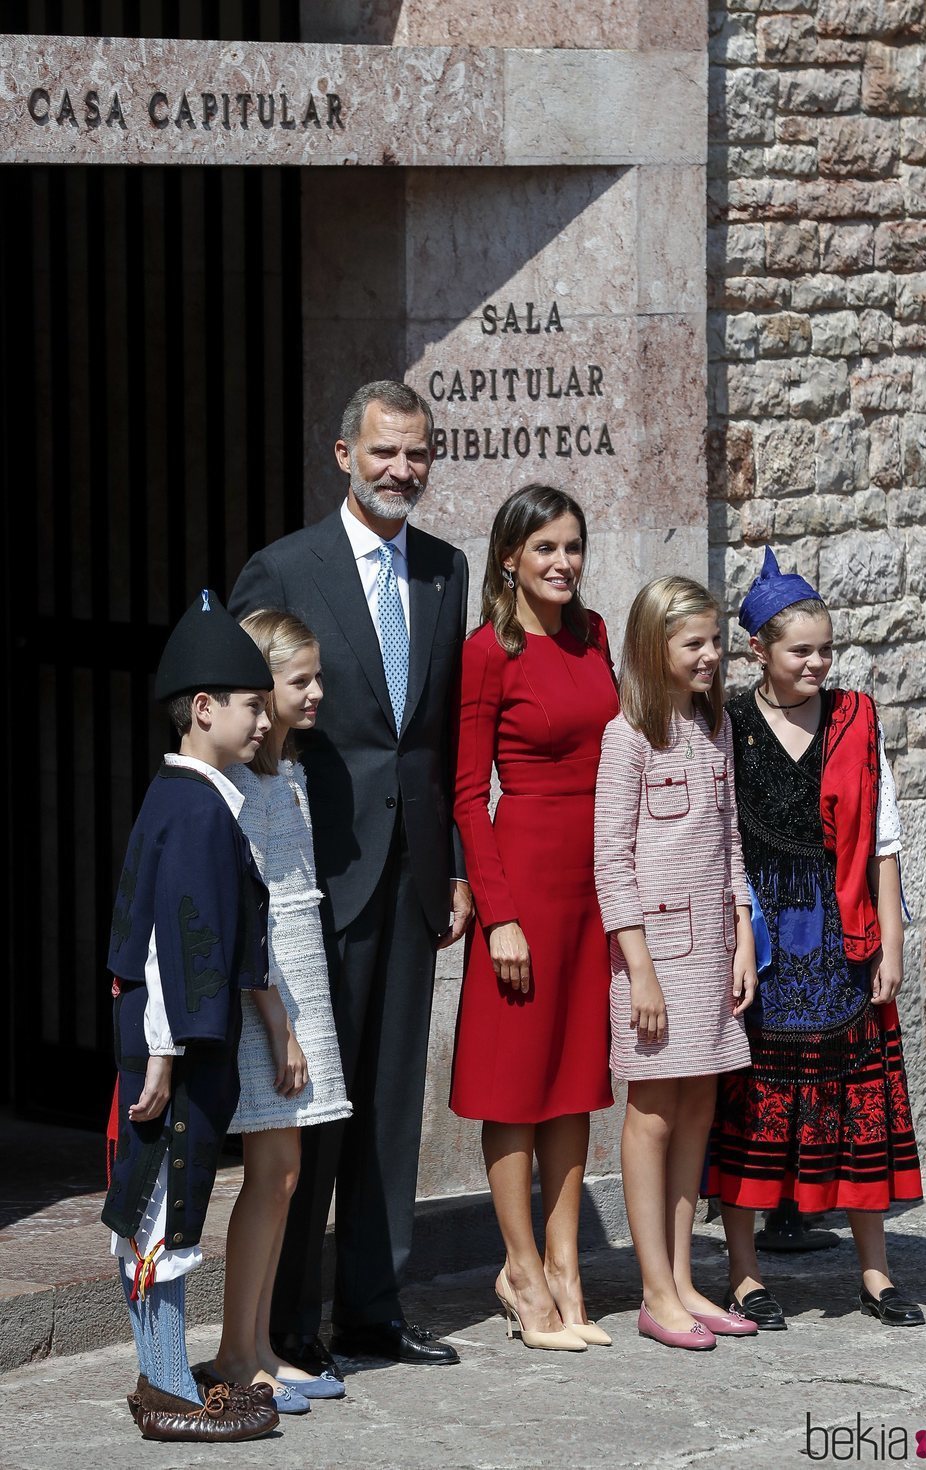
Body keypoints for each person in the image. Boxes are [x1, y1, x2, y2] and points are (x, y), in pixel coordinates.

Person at [229, 380, 471, 1370]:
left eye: (415, 454)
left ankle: (373, 1305)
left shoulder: (448, 572)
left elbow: (443, 738)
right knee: (313, 1104)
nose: (400, 471)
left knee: (388, 1104)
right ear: (342, 455)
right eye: (383, 453)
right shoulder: (284, 568)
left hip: (412, 875)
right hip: (317, 873)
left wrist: (453, 867)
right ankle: (288, 1324)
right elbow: (245, 728)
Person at [710, 547, 925, 1330]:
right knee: (752, 1108)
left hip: (842, 937)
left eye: (826, 649)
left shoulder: (856, 719)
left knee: (858, 1100)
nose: (817, 663)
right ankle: (744, 1274)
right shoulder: (727, 722)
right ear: (758, 651)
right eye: (800, 650)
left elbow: (885, 840)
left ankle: (874, 1274)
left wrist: (892, 941)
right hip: (758, 940)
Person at [101, 589, 280, 1442]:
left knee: (161, 1210)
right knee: (163, 1213)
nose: (263, 722)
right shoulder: (198, 808)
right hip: (170, 1049)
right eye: (252, 706)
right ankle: (167, 1386)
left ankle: (161, 1377)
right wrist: (166, 1054)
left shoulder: (187, 798)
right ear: (203, 709)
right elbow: (171, 941)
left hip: (167, 1044)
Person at [451, 484, 618, 1352]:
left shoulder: (594, 638)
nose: (562, 562)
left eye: (574, 547)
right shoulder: (489, 650)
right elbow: (468, 794)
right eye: (545, 547)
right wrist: (498, 915)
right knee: (515, 1085)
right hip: (525, 875)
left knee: (575, 1078)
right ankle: (520, 1269)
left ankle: (566, 1266)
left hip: (595, 881)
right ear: (509, 556)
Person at [594, 576, 759, 1352]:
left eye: (714, 640)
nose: (710, 655)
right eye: (694, 642)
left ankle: (686, 1277)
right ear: (654, 646)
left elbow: (728, 841)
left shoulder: (715, 724)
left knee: (698, 1107)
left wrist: (744, 930)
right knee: (654, 1111)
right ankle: (654, 1292)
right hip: (655, 959)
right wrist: (642, 971)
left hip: (714, 953)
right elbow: (611, 863)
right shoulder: (627, 735)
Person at [196, 611, 352, 1414]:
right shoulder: (244, 784)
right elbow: (247, 910)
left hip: (300, 975)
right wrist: (280, 1024)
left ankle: (257, 1345)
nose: (316, 692)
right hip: (269, 991)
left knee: (286, 1174)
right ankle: (234, 1350)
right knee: (269, 1171)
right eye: (300, 681)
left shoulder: (290, 771)